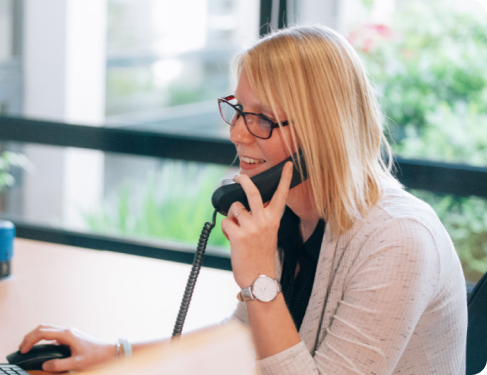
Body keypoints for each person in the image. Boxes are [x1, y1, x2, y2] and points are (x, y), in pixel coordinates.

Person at [18, 25, 467, 374]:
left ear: (322, 131)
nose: (237, 134)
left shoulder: (399, 240)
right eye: (239, 110)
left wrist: (258, 280)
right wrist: (117, 354)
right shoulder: (287, 208)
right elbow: (245, 338)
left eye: (263, 119)